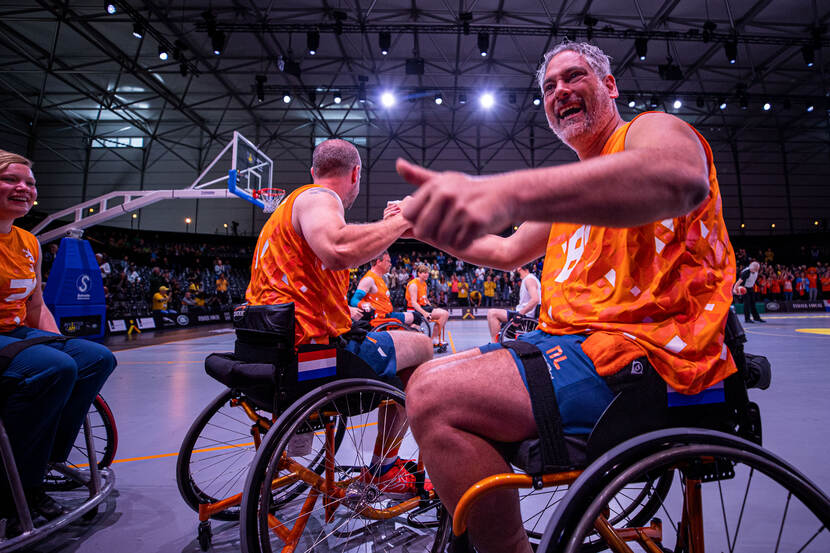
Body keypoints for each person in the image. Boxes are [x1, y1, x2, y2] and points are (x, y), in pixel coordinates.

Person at [395, 41, 737, 553]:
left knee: (431, 394)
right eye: (550, 86)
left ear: (610, 86)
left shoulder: (651, 130)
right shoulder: (576, 190)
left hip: (647, 356)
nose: (561, 91)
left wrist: (508, 191)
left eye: (575, 77)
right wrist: (426, 231)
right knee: (429, 379)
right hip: (582, 348)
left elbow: (680, 178)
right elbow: (506, 250)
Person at [245, 139, 433, 496]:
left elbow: (305, 286)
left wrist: (345, 308)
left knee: (386, 337)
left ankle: (299, 434)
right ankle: (384, 468)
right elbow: (337, 249)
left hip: (265, 349)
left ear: (313, 170)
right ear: (356, 173)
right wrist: (402, 220)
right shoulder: (320, 198)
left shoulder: (287, 210)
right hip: (310, 361)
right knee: (421, 347)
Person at [0, 150, 116, 529]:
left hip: (17, 333)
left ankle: (43, 460)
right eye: (11, 179)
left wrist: (60, 347)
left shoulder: (28, 242)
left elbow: (35, 305)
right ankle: (14, 485)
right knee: (55, 367)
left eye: (30, 182)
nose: (23, 188)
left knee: (96, 358)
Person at [350, 251, 416, 326]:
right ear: (378, 262)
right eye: (388, 261)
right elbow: (354, 300)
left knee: (415, 320)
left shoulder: (381, 278)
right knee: (416, 318)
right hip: (381, 319)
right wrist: (364, 305)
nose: (390, 264)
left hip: (388, 314)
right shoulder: (369, 279)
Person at [486, 263, 541, 343]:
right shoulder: (528, 279)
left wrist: (520, 314)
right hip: (524, 315)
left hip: (525, 318)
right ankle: (495, 343)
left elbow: (535, 299)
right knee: (493, 313)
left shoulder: (529, 280)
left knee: (492, 313)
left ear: (519, 268)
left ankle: (495, 345)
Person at [406, 264, 449, 347]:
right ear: (418, 273)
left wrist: (431, 306)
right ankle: (431, 339)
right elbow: (414, 303)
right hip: (415, 310)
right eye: (424, 273)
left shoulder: (424, 284)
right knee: (415, 331)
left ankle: (434, 339)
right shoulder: (413, 285)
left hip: (424, 307)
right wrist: (425, 313)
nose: (426, 274)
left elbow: (425, 298)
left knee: (445, 314)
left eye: (427, 273)